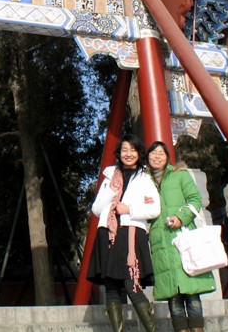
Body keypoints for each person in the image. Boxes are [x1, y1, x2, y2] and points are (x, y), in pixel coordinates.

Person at [87, 134, 161, 332]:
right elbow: (96, 209)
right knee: (111, 288)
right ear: (119, 153)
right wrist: (111, 192)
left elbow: (154, 208)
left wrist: (130, 209)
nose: (128, 154)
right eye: (124, 150)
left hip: (130, 235)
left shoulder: (145, 178)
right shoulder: (110, 176)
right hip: (108, 234)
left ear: (139, 153)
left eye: (133, 150)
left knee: (132, 285)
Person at [146, 141, 216, 332]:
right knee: (173, 297)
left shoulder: (179, 175)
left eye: (161, 153)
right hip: (161, 242)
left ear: (168, 156)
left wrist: (181, 217)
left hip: (183, 238)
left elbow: (195, 199)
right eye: (153, 153)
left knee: (192, 293)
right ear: (148, 158)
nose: (157, 156)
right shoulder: (145, 181)